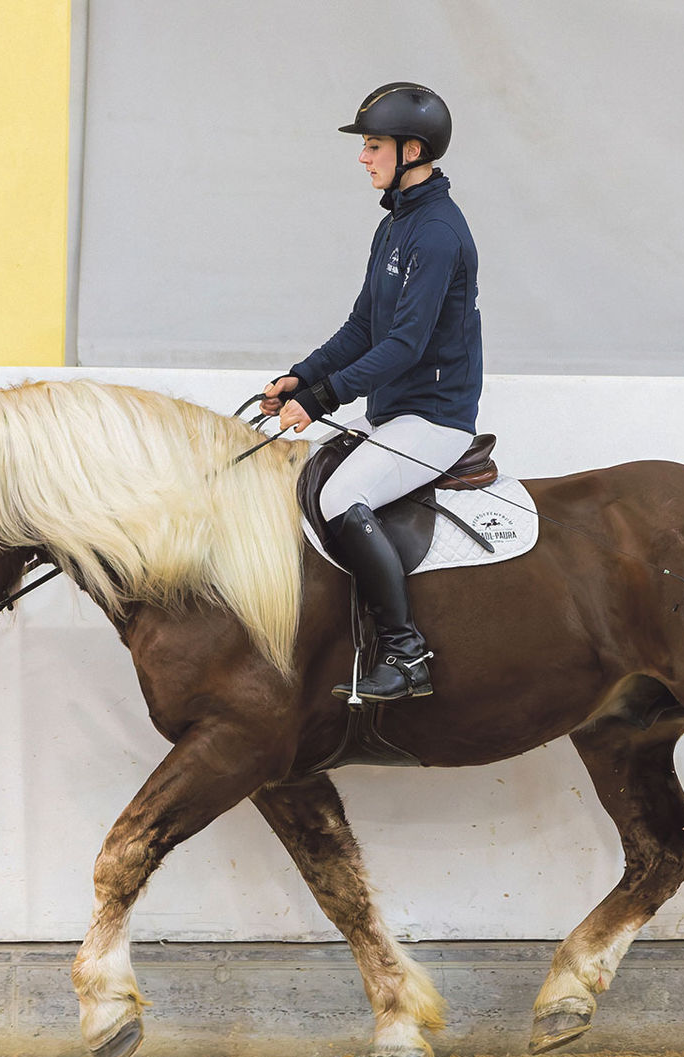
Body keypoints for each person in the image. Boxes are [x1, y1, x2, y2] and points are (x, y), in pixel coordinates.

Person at [262, 82, 483, 704]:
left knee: (342, 496)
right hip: (395, 412)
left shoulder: (438, 232)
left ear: (413, 149)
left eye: (373, 145)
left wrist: (323, 399)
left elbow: (405, 346)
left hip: (435, 419)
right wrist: (302, 377)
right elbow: (364, 328)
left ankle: (407, 652)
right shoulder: (397, 226)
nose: (363, 157)